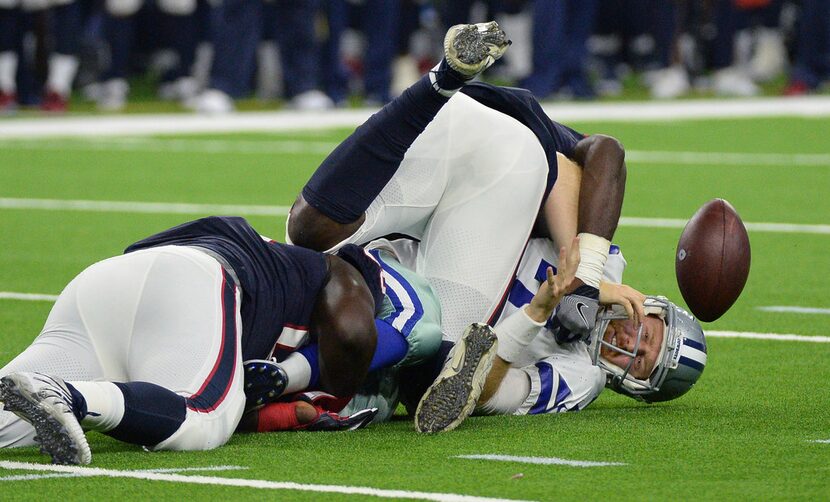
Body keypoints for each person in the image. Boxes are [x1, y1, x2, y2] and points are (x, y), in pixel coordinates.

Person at [0, 215, 388, 464]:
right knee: (202, 417)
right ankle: (70, 395)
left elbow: (241, 399)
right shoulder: (342, 272)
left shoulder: (270, 258)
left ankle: (56, 391)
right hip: (198, 282)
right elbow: (353, 335)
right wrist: (337, 381)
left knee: (11, 413)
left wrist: (290, 408)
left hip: (107, 283)